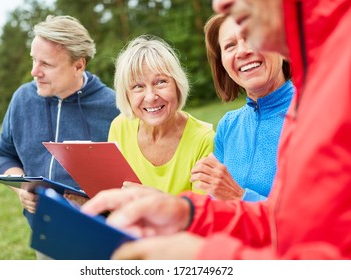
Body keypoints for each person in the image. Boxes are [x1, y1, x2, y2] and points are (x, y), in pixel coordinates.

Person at [81, 0, 351, 259]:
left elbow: (322, 249)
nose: (219, 4)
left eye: (247, 35)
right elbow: (280, 222)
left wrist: (232, 205)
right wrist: (187, 212)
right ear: (222, 62)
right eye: (230, 45)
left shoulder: (329, 94)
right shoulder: (229, 126)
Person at [0, 15, 119, 256]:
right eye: (34, 60)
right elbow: (4, 154)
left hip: (102, 237)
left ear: (79, 65)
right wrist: (21, 188)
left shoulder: (113, 107)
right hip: (47, 235)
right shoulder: (22, 99)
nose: (34, 71)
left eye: (46, 64)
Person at [190, 14, 294, 201]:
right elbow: (215, 207)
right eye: (230, 46)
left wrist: (239, 197)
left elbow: (319, 219)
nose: (242, 51)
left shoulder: (313, 115)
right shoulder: (228, 126)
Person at [108, 35, 215, 194]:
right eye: (138, 86)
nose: (151, 97)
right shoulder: (120, 127)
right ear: (126, 95)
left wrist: (150, 199)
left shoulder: (204, 139)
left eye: (160, 82)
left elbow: (203, 214)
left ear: (177, 85)